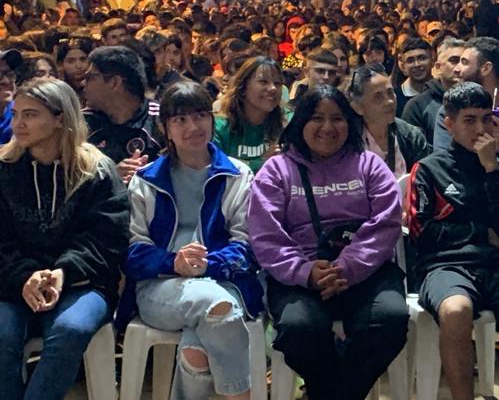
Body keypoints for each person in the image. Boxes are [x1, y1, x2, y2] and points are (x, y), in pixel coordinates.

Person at [248, 86, 408, 400]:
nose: (327, 127)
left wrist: (346, 267)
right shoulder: (277, 171)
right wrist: (305, 271)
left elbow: (386, 224)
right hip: (299, 277)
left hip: (366, 272)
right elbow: (265, 235)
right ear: (300, 123)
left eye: (337, 118)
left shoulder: (370, 165)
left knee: (390, 320)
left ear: (350, 123)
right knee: (298, 329)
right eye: (317, 118)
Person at [407, 82, 499, 400]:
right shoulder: (428, 170)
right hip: (446, 266)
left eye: (486, 118)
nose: (480, 128)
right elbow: (422, 233)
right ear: (448, 123)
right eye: (469, 119)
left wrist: (491, 166)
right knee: (456, 311)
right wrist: (479, 233)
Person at [121, 80, 263, 400]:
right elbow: (131, 250)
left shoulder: (237, 175)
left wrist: (205, 265)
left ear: (213, 120)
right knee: (220, 309)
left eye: (200, 115)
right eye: (180, 120)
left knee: (198, 347)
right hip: (160, 287)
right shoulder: (146, 181)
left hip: (227, 281)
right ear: (165, 128)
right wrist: (174, 262)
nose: (192, 127)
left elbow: (247, 244)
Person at [0, 78, 129, 399]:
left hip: (82, 282)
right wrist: (25, 277)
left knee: (70, 329)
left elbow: (107, 240)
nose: (18, 123)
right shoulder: (5, 167)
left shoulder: (97, 171)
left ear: (60, 118)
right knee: (2, 334)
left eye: (30, 114)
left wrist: (63, 272)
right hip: (13, 281)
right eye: (15, 114)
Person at [432, 36, 499, 168]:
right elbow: (443, 164)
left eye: (464, 62)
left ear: (485, 68)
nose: (456, 69)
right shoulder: (450, 110)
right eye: (469, 120)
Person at [83, 46, 164, 183]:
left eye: (90, 77)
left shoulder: (161, 120)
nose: (82, 83)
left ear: (115, 82)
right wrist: (111, 177)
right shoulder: (83, 123)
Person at [349, 63, 431, 176]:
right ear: (358, 107)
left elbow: (424, 180)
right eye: (378, 97)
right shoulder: (348, 140)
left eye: (390, 92)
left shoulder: (411, 136)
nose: (390, 102)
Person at [213, 56, 287, 173]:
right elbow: (217, 170)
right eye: (263, 81)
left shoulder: (286, 128)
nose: (273, 88)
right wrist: (263, 162)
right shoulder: (219, 128)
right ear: (243, 87)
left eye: (277, 83)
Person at [401, 38, 465, 144]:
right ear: (438, 67)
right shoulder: (418, 105)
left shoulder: (480, 98)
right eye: (454, 61)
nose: (460, 67)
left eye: (464, 62)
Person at [394, 37, 434, 118]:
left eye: (422, 58)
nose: (417, 64)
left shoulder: (442, 92)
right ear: (403, 66)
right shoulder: (395, 98)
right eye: (410, 60)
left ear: (432, 60)